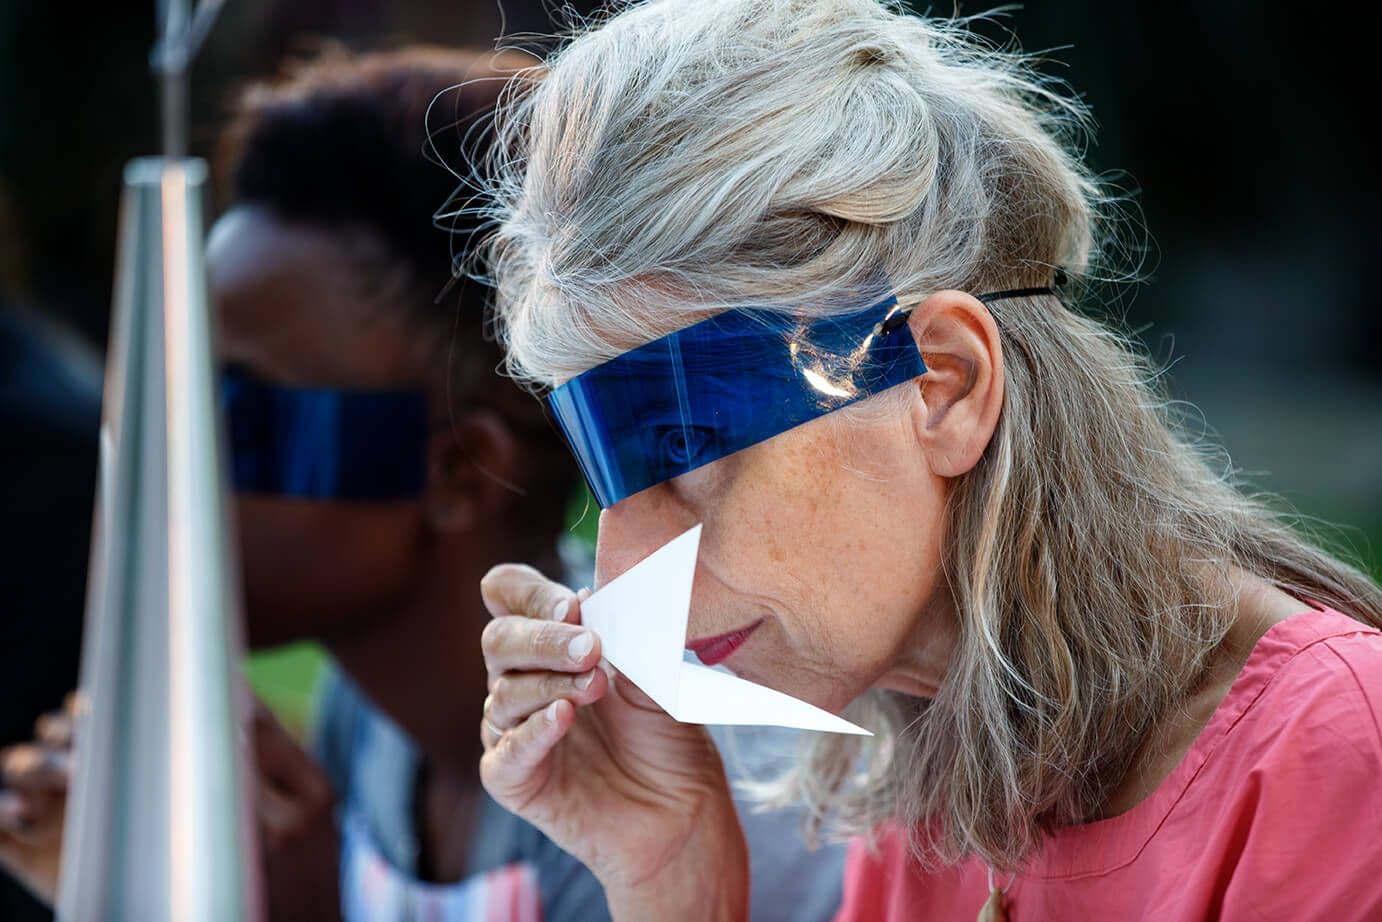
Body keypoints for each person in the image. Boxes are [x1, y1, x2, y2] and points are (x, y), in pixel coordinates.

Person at [471, 2, 1382, 920]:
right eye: (610, 477)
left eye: (683, 451)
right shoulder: (943, 794)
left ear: (944, 383)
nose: (621, 575)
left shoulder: (1341, 766)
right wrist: (672, 878)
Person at [0, 45, 843, 922]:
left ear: (458, 469)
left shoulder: (658, 754)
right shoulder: (369, 727)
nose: (171, 466)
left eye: (234, 412)